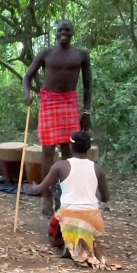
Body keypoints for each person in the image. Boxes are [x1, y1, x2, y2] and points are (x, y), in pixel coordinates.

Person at [23, 20, 92, 216]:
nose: (64, 32)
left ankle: (64, 195)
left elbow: (88, 85)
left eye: (67, 30)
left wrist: (86, 112)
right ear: (56, 33)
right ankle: (46, 195)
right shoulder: (46, 54)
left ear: (72, 33)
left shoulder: (81, 55)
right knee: (47, 149)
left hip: (70, 101)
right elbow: (27, 77)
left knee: (67, 149)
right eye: (60, 30)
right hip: (50, 101)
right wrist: (27, 93)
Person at [24, 131, 120, 270]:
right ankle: (80, 243)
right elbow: (106, 198)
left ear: (70, 146)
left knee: (53, 237)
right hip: (92, 218)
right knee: (83, 228)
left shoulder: (60, 166)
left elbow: (40, 189)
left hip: (69, 215)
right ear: (88, 147)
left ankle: (66, 244)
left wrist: (28, 187)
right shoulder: (97, 168)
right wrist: (95, 193)